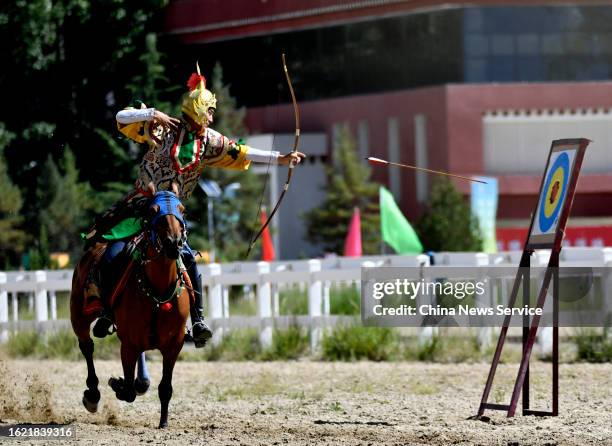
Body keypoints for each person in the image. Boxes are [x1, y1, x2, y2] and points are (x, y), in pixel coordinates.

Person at [83, 63, 305, 347]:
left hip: (172, 213)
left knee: (187, 258)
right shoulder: (162, 128)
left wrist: (281, 158)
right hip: (143, 205)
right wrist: (153, 113)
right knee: (112, 251)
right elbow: (122, 116)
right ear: (198, 108)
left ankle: (197, 319)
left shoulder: (210, 142)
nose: (212, 116)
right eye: (209, 110)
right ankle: (106, 310)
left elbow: (242, 152)